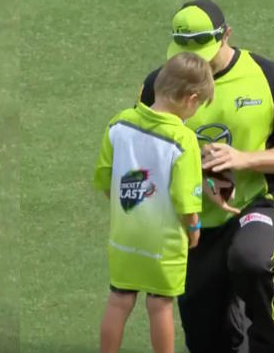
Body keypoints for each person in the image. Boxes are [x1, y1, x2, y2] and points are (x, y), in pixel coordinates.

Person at [139, 0, 274, 353]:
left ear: (227, 36)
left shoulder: (267, 77)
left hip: (257, 205)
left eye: (203, 50)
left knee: (249, 260)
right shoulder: (158, 86)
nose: (195, 62)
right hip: (194, 224)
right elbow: (145, 154)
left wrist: (244, 159)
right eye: (185, 51)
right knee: (210, 342)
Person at [95, 52, 214, 353]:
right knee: (160, 305)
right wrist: (195, 227)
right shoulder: (182, 140)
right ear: (191, 98)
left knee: (119, 299)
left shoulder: (119, 124)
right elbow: (186, 197)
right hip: (164, 242)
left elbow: (105, 176)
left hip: (124, 233)